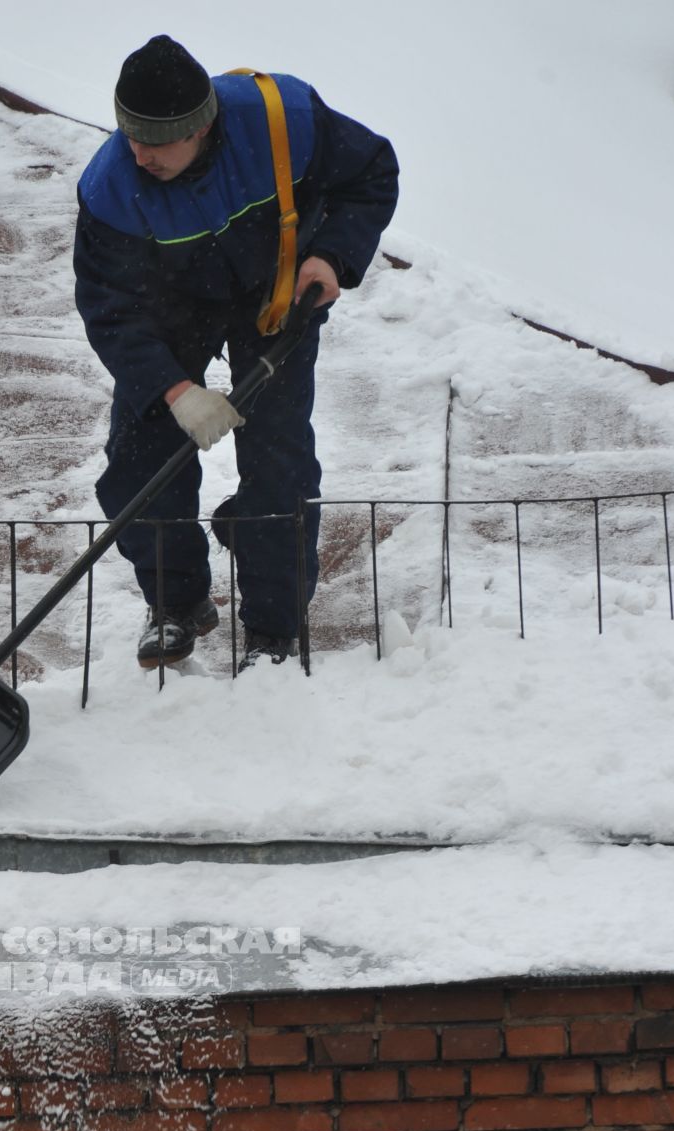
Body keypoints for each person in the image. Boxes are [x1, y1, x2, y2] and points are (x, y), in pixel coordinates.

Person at [73, 36, 399, 670]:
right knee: (138, 461)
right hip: (169, 302)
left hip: (277, 292)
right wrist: (175, 390)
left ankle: (273, 630)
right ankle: (178, 602)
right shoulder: (113, 186)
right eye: (130, 135)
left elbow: (372, 174)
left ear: (201, 126)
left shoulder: (285, 121)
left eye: (157, 140)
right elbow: (110, 306)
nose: (140, 154)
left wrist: (332, 256)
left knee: (277, 462)